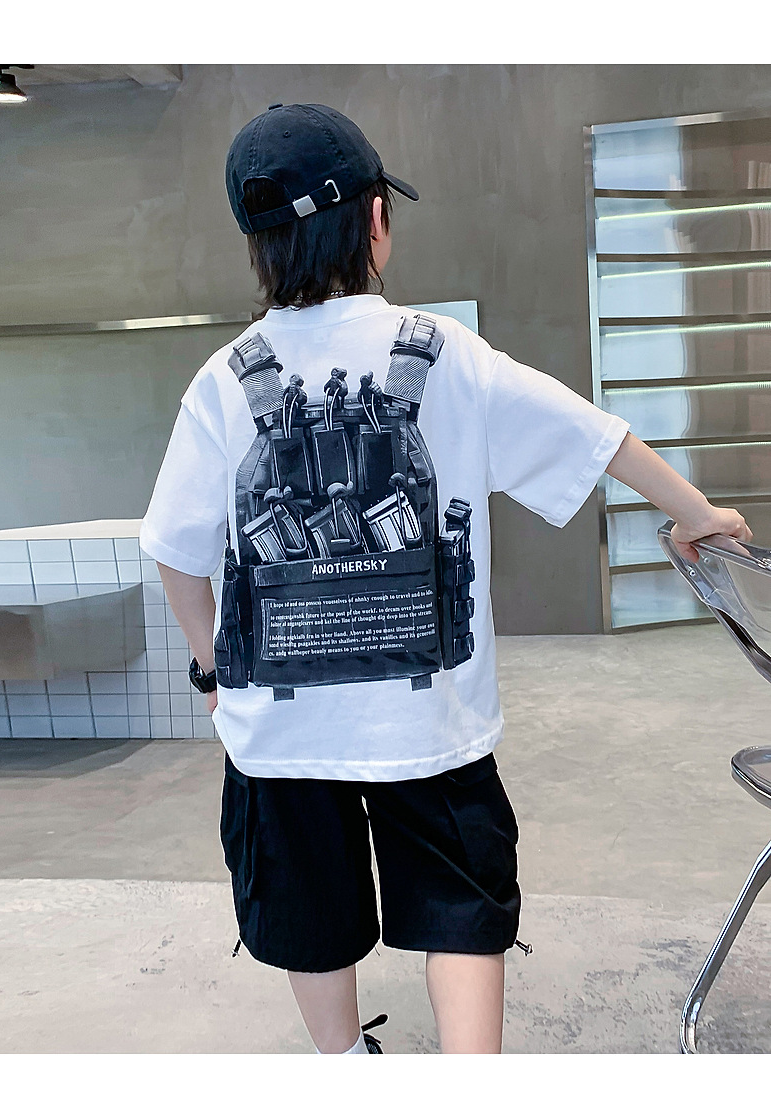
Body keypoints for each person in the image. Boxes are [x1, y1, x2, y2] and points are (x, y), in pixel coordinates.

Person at [138, 102, 752, 1055]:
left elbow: (176, 550)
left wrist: (214, 671)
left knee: (307, 906)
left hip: (282, 732)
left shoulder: (226, 377)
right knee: (460, 902)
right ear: (376, 220)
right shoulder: (441, 351)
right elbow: (594, 436)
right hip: (429, 720)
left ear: (257, 245)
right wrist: (697, 512)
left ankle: (347, 1065)